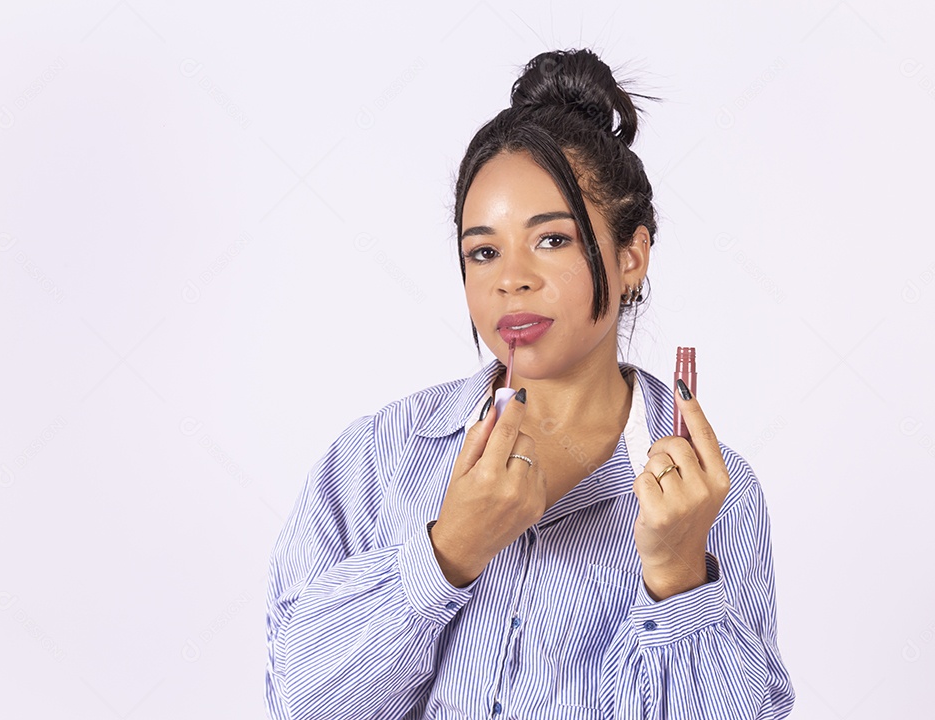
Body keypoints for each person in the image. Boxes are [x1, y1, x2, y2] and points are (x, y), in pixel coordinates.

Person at [265, 47, 794, 719]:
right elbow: (299, 704)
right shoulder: (378, 456)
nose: (509, 277)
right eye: (483, 251)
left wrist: (679, 576)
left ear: (631, 255)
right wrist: (447, 552)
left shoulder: (716, 495)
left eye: (551, 240)